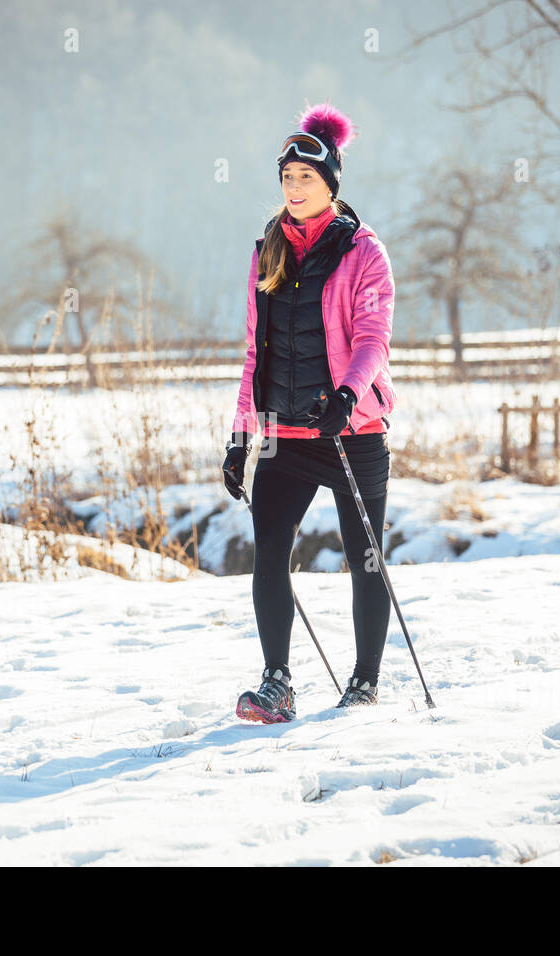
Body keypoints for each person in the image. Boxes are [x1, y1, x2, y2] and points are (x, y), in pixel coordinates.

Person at [221, 101, 399, 723]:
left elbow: (373, 339)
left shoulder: (363, 254)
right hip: (285, 436)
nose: (294, 188)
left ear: (330, 184)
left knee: (365, 557)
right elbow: (254, 351)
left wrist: (347, 398)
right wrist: (241, 436)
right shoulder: (266, 252)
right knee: (270, 549)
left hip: (354, 431)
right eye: (287, 178)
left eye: (307, 178)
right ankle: (277, 683)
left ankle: (365, 683)